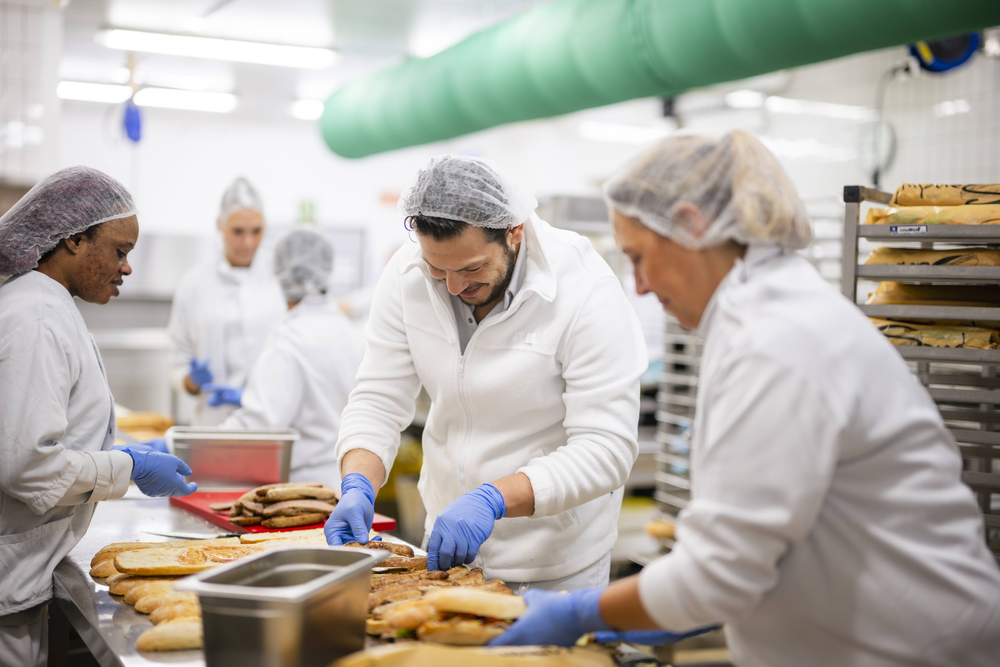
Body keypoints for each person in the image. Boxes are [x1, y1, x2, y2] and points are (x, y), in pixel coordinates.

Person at [490, 131, 1000, 665]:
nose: (638, 286)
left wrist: (584, 613)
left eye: (639, 258)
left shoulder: (777, 339)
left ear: (691, 225)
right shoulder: (763, 316)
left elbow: (720, 573)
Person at [326, 155, 647, 591]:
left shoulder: (585, 291)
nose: (454, 286)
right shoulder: (406, 276)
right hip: (443, 552)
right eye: (438, 269)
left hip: (554, 568)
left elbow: (606, 448)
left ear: (514, 232)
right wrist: (358, 481)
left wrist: (493, 498)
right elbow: (378, 398)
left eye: (472, 268)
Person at [0, 167, 197, 667]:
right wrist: (126, 467)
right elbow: (27, 466)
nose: (126, 268)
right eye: (119, 250)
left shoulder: (47, 306)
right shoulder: (37, 317)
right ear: (72, 239)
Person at [219, 227, 363, 484]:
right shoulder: (347, 330)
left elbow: (260, 425)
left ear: (281, 274)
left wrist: (182, 445)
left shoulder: (290, 336)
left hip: (303, 488)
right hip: (349, 481)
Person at [167, 176, 285, 426]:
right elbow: (177, 362)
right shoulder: (194, 283)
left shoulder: (280, 278)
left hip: (268, 423)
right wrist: (192, 381)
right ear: (219, 225)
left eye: (257, 231)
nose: (248, 242)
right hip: (211, 422)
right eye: (238, 232)